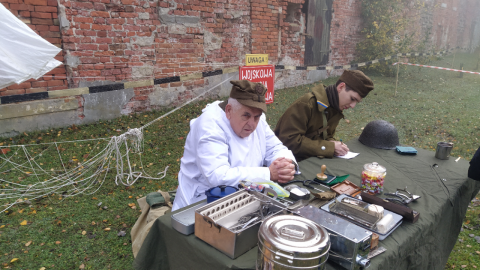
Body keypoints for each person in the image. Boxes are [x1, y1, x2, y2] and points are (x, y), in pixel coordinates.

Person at [172, 80, 298, 211]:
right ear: (228, 110)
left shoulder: (256, 120)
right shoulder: (210, 126)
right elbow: (218, 177)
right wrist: (268, 174)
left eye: (257, 117)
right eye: (246, 116)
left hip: (246, 197)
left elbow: (275, 147)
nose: (252, 124)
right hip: (203, 202)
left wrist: (286, 164)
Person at [274, 70, 374, 161]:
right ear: (341, 87)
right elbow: (288, 141)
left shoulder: (335, 107)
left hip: (311, 159)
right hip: (289, 162)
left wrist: (334, 144)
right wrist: (328, 147)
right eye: (352, 99)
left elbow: (325, 135)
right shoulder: (307, 104)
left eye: (357, 102)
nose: (353, 105)